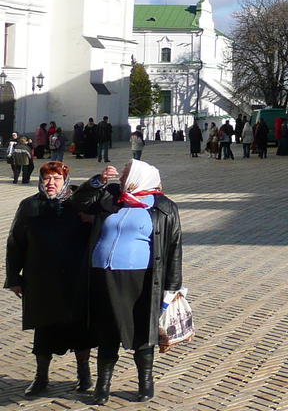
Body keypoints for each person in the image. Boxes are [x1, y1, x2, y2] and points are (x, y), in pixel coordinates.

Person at [71, 161, 182, 404]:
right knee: (106, 332)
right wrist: (98, 181)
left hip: (139, 279)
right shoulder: (111, 197)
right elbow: (77, 202)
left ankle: (145, 382)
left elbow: (173, 248)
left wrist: (172, 287)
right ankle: (103, 386)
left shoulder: (163, 206)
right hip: (103, 275)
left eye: (125, 174)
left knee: (141, 332)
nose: (120, 178)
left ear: (139, 177)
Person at [4, 162, 95, 397]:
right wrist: (14, 277)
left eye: (56, 178)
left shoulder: (79, 203)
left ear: (65, 180)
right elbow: (15, 242)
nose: (51, 183)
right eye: (46, 178)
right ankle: (41, 376)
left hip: (76, 278)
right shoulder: (30, 205)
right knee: (44, 329)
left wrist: (95, 220)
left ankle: (84, 373)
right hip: (42, 280)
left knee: (80, 328)